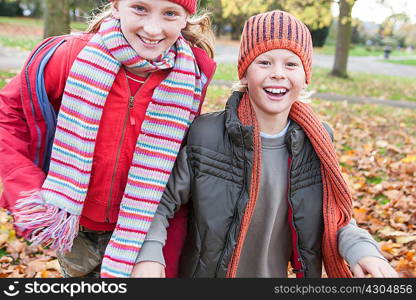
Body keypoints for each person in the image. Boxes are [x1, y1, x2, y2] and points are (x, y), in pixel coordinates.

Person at [133, 10, 399, 278]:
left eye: (291, 65)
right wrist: (150, 255)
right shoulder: (207, 135)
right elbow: (160, 203)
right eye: (264, 62)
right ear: (245, 73)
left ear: (306, 75)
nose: (278, 74)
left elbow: (334, 217)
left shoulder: (316, 142)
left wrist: (362, 250)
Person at [0, 0, 216, 278]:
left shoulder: (190, 80)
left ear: (185, 18)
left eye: (170, 14)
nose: (152, 28)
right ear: (116, 7)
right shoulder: (73, 56)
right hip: (74, 227)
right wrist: (26, 185)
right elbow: (9, 113)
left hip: (141, 229)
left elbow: (176, 174)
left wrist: (159, 251)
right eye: (139, 8)